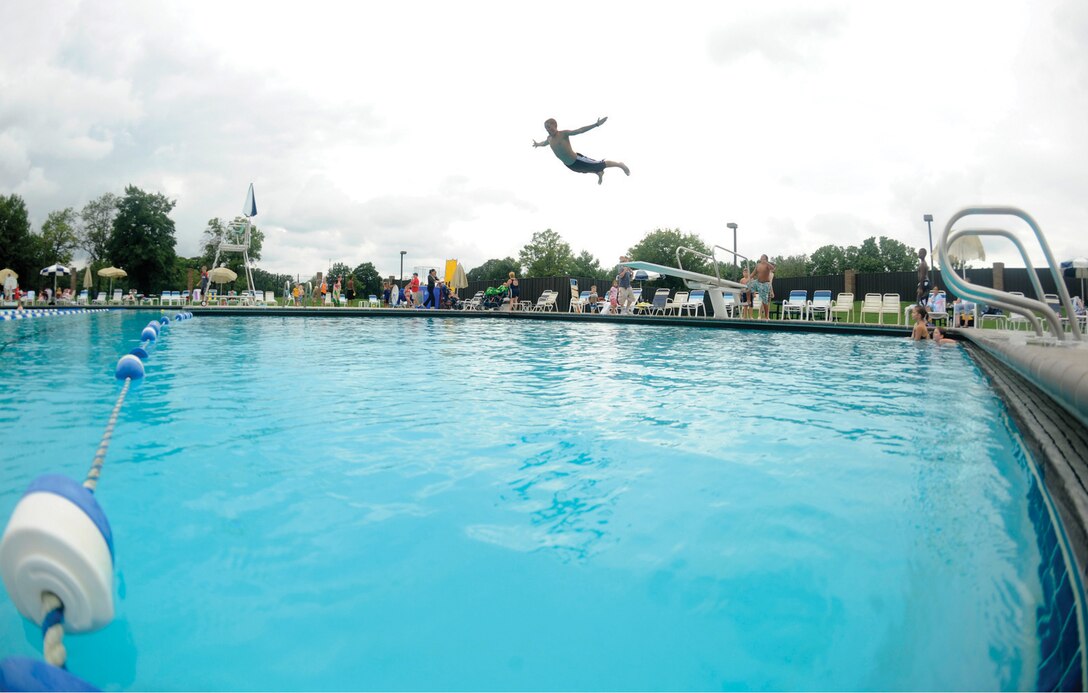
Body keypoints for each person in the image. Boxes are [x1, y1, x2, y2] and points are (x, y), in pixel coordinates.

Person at [532, 117, 630, 185]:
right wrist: (537, 144)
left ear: (555, 125)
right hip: (570, 165)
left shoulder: (563, 134)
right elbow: (544, 143)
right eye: (546, 128)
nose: (548, 129)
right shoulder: (549, 139)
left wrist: (596, 124)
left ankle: (620, 165)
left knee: (600, 163)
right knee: (584, 170)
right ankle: (598, 173)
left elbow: (580, 130)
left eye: (549, 127)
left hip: (577, 159)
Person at [749, 255, 775, 319]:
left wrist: (766, 263)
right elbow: (753, 273)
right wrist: (748, 278)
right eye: (761, 258)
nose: (761, 259)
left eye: (763, 258)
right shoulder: (758, 265)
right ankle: (750, 297)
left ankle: (766, 316)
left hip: (765, 284)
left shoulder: (767, 265)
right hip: (758, 282)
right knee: (748, 284)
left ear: (766, 259)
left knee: (764, 301)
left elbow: (773, 268)